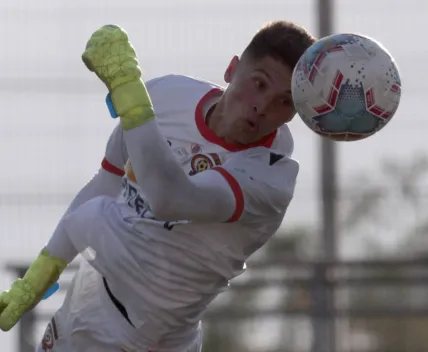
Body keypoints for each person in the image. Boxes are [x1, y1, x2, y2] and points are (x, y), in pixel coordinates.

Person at [0, 21, 315, 351]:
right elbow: (105, 184)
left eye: (284, 102)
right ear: (232, 70)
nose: (261, 106)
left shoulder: (271, 176)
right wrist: (40, 275)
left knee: (94, 217)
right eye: (259, 84)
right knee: (94, 215)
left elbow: (170, 198)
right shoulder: (167, 95)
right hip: (87, 298)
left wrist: (128, 93)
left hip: (148, 336)